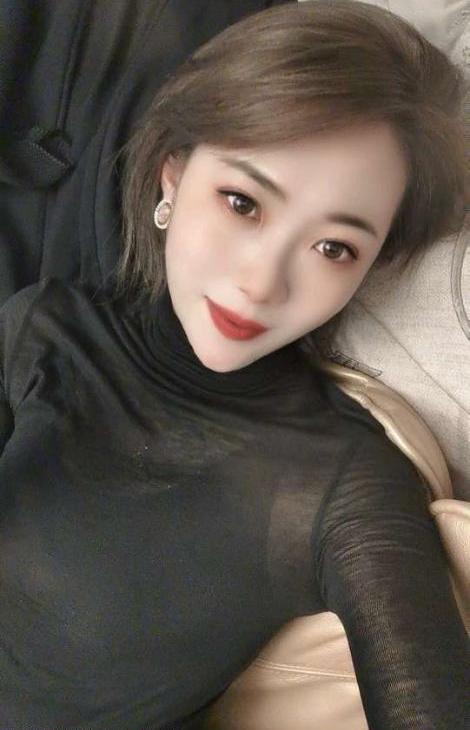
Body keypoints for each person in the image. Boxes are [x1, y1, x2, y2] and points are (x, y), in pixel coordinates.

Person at [0, 1, 468, 728]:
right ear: (172, 176)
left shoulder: (340, 479)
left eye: (334, 247)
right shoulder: (45, 326)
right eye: (243, 202)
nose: (261, 283)